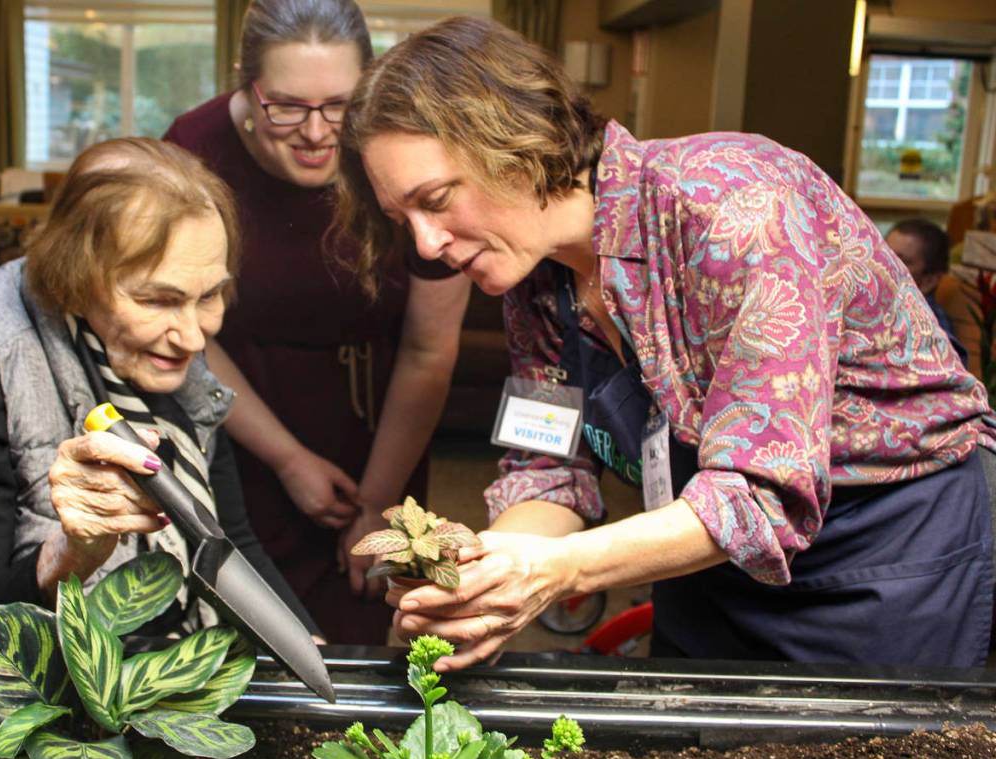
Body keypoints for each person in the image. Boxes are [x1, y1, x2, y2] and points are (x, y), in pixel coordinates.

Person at [335, 15, 996, 670]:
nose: (427, 244)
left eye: (438, 198)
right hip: (702, 558)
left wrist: (557, 570)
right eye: (404, 220)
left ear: (514, 140)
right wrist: (489, 569)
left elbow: (759, 493)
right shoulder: (535, 285)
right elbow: (548, 468)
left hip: (882, 561)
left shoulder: (734, 203)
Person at [164, 0, 469, 644]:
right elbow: (190, 332)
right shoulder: (193, 150)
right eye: (287, 106)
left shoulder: (410, 151)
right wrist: (287, 458)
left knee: (359, 630)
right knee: (242, 630)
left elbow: (428, 352)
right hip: (238, 419)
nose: (316, 131)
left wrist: (375, 507)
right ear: (248, 83)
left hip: (380, 427)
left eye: (340, 104)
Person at [0, 137, 319, 639]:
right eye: (158, 300)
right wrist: (68, 557)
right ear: (75, 277)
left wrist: (307, 643)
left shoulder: (166, 348)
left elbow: (227, 539)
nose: (195, 337)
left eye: (211, 295)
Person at [885, 218, 968, 366]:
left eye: (898, 260)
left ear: (928, 281)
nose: (882, 264)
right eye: (882, 254)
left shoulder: (932, 332)